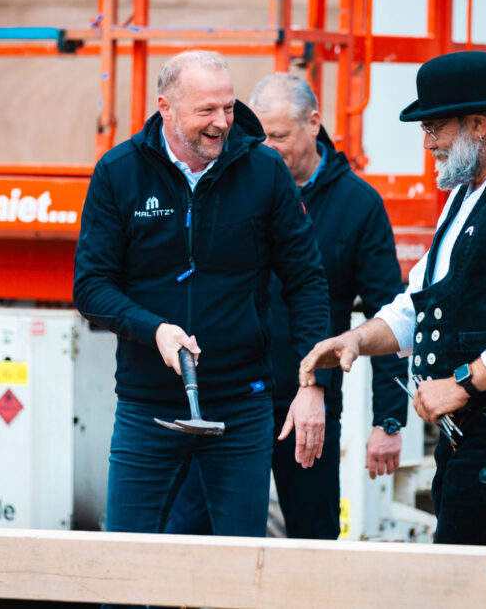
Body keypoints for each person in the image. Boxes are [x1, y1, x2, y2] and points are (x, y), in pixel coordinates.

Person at [298, 51, 486, 607]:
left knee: (466, 585)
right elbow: (423, 302)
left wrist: (462, 384)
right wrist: (358, 340)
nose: (427, 141)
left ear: (477, 125)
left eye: (434, 126)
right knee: (478, 583)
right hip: (485, 423)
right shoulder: (466, 194)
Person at [73, 50, 330, 545]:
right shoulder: (119, 172)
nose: (222, 123)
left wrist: (311, 380)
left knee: (239, 572)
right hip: (147, 406)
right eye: (206, 111)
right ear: (166, 108)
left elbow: (306, 279)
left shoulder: (263, 170)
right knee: (124, 566)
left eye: (228, 108)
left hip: (242, 405)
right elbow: (92, 287)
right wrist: (156, 330)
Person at [166, 73, 408, 540]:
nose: (268, 148)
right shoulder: (229, 188)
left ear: (313, 123)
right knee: (193, 531)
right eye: (261, 137)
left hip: (309, 405)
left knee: (312, 538)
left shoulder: (358, 206)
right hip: (229, 399)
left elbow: (390, 318)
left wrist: (388, 420)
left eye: (279, 136)